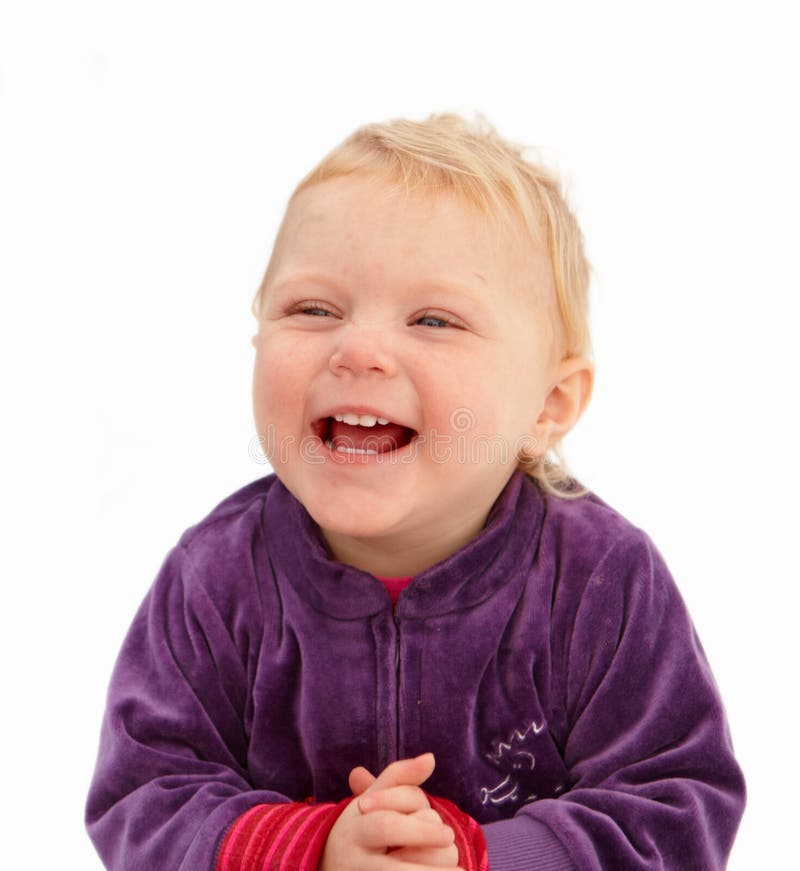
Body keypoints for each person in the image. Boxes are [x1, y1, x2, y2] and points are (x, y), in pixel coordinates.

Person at [86, 113, 746, 870]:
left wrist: (483, 860)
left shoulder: (602, 580)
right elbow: (143, 793)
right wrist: (311, 849)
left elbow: (675, 803)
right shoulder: (216, 577)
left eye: (433, 319)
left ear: (548, 406)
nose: (358, 349)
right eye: (314, 308)